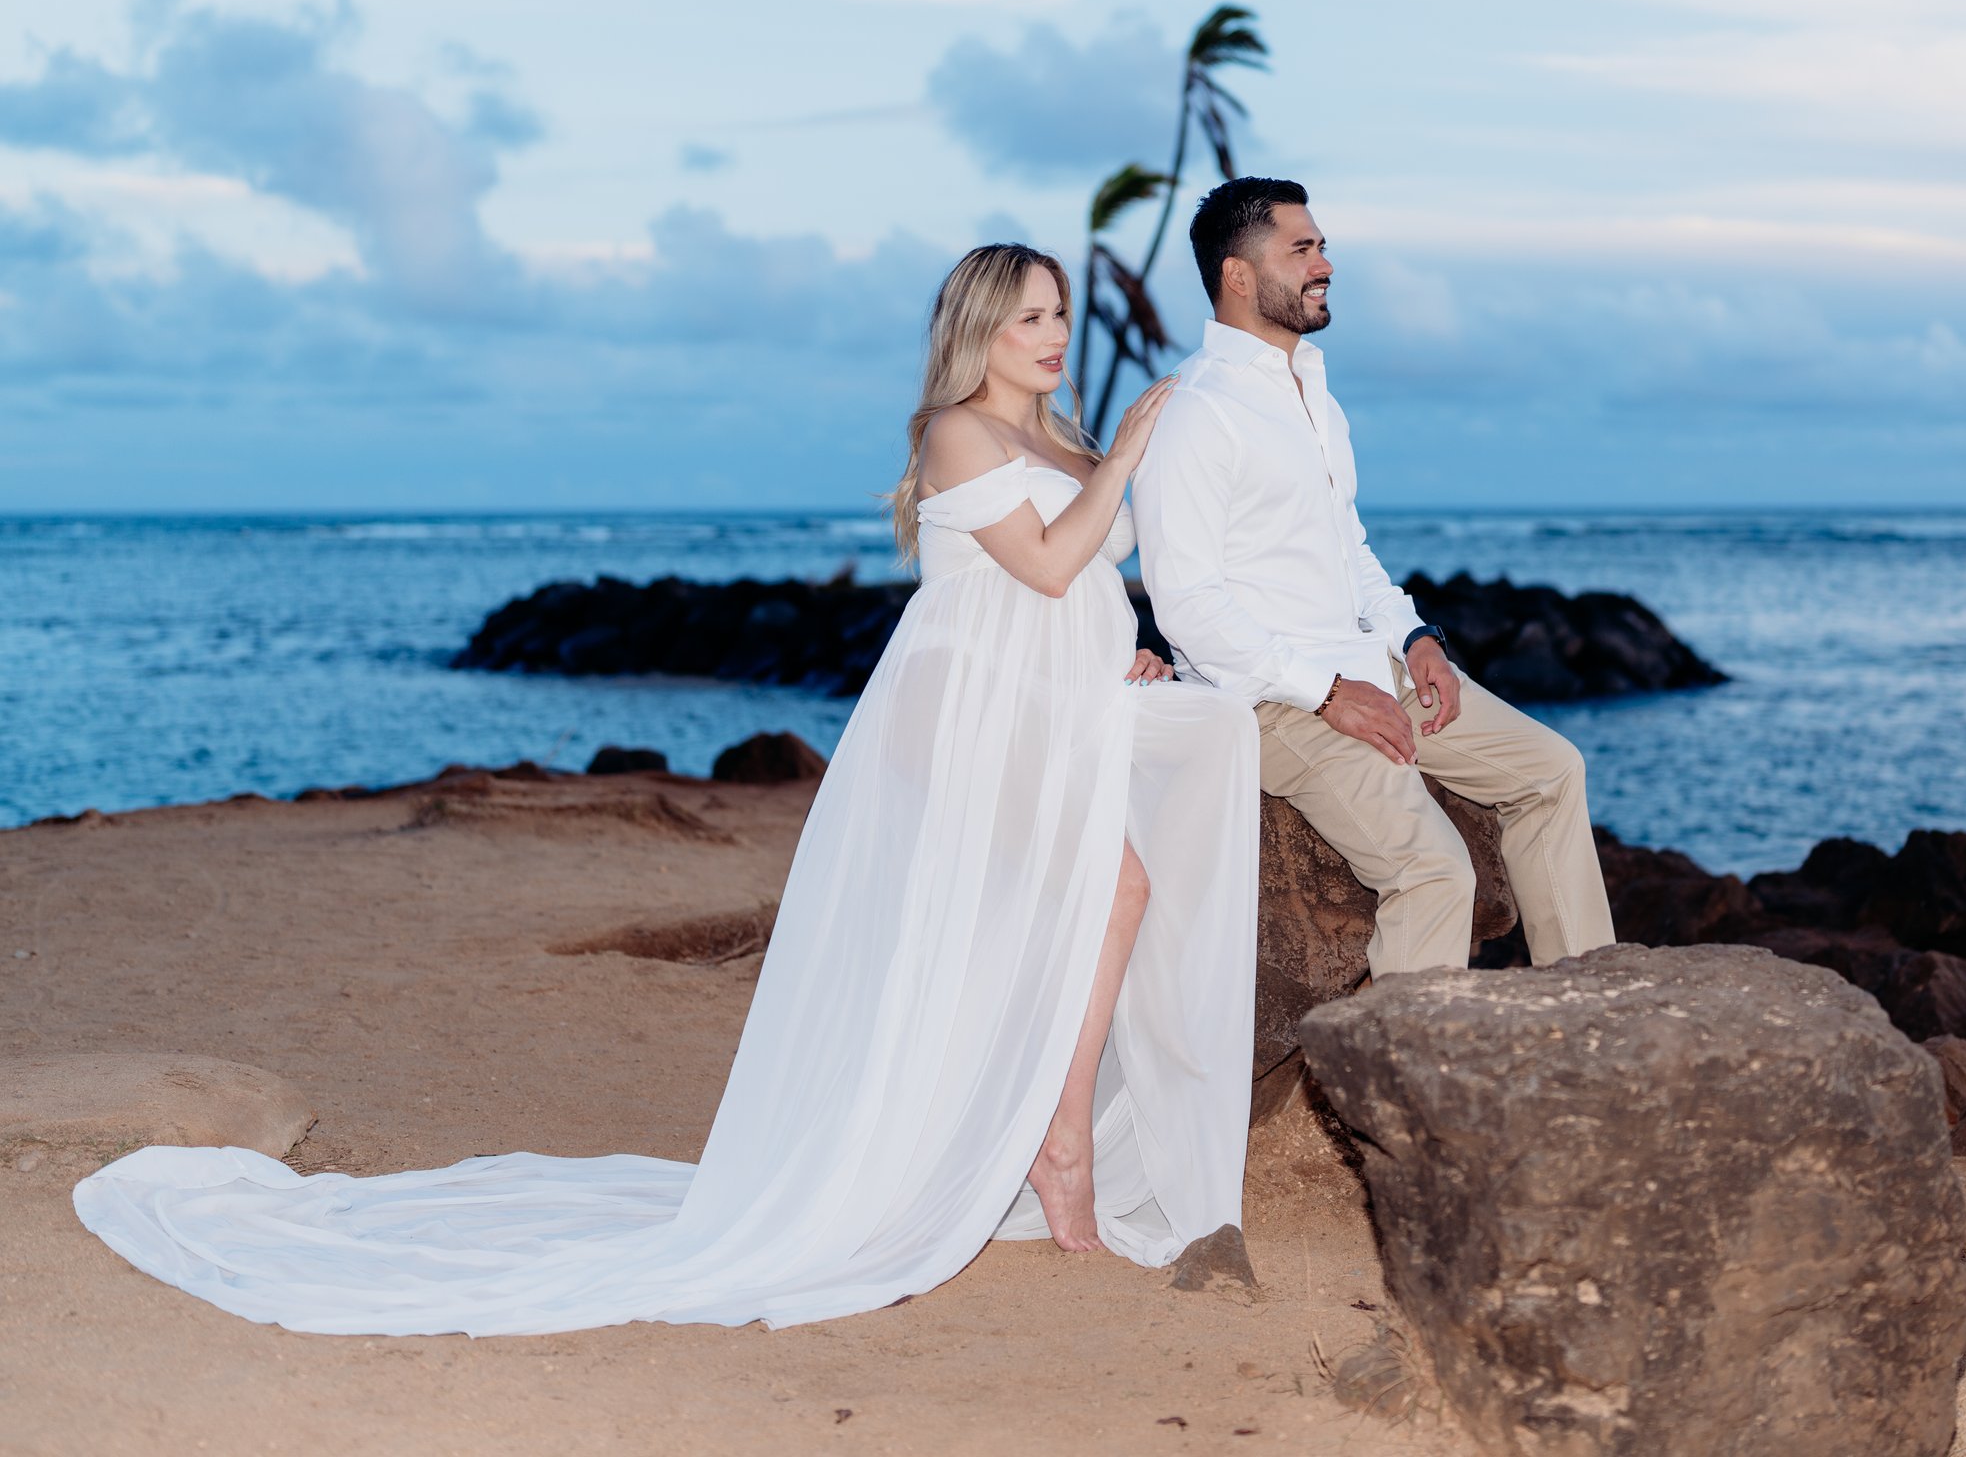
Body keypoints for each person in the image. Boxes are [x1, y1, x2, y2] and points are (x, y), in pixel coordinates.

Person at [72, 243, 1261, 1335]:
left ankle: (1034, 1138)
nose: (1051, 335)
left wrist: (1130, 640)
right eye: (1026, 318)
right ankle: (1056, 1148)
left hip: (1065, 703)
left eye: (1058, 313)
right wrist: (1136, 461)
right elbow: (1050, 563)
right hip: (975, 712)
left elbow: (1089, 577)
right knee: (1108, 891)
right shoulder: (956, 430)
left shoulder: (1068, 444)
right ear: (976, 332)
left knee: (1088, 902)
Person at [1134, 178, 1614, 976]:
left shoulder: (1313, 393)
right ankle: (1399, 1092)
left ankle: (1597, 1009)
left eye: (1321, 244)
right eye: (1302, 248)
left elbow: (1345, 547)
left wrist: (1416, 636)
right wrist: (1324, 691)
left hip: (1372, 665)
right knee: (1433, 872)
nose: (1325, 262)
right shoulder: (1196, 411)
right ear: (1239, 277)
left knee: (1551, 772)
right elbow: (1186, 603)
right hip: (1277, 702)